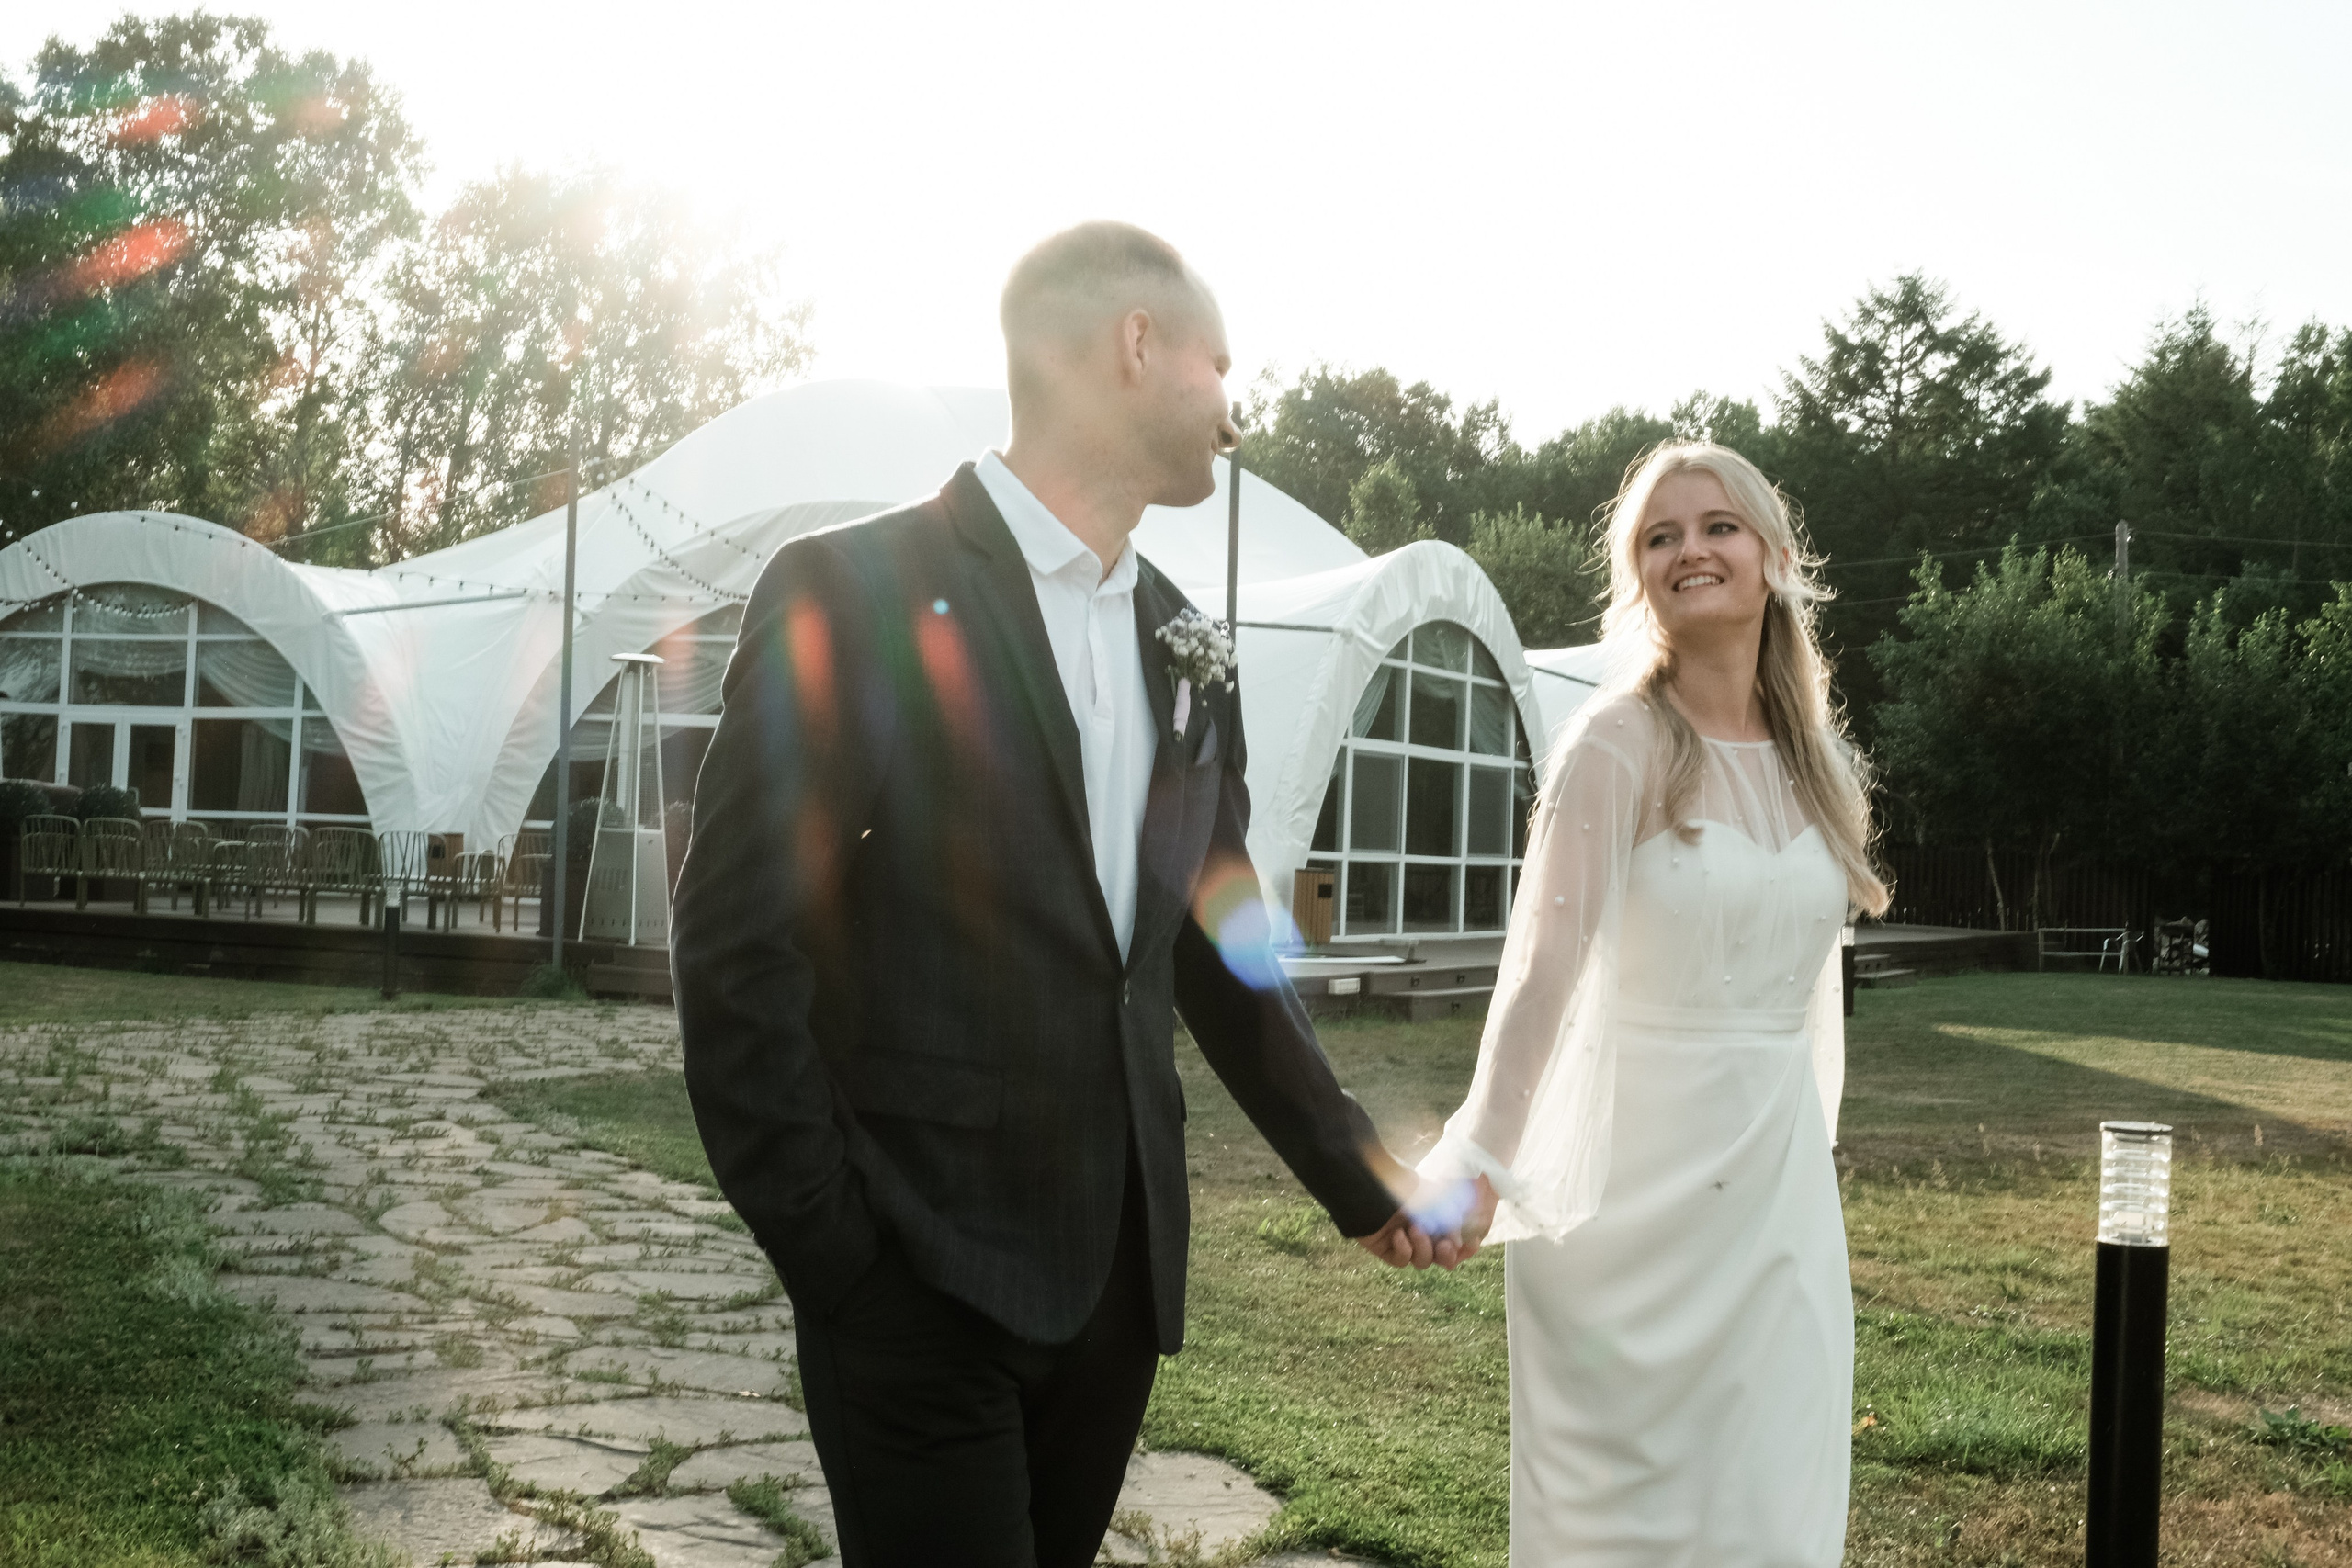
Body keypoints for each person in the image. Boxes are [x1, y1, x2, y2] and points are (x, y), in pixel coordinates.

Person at [669, 220, 1464, 1568]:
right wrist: (840, 1258)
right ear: (1135, 345)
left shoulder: (1187, 646)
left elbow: (1222, 949)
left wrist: (1366, 1175)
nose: (1236, 403)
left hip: (1114, 1280)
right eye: (1221, 363)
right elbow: (738, 947)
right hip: (911, 1276)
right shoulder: (854, 589)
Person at [1426, 442, 1890, 1565]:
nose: (1691, 550)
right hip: (1622, 1218)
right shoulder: (1614, 745)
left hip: (1773, 1201)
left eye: (1717, 525)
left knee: (1772, 1508)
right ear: (1638, 577)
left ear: (1775, 555)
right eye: (1659, 535)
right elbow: (1541, 969)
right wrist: (1479, 1155)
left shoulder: (1816, 760)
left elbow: (1813, 989)